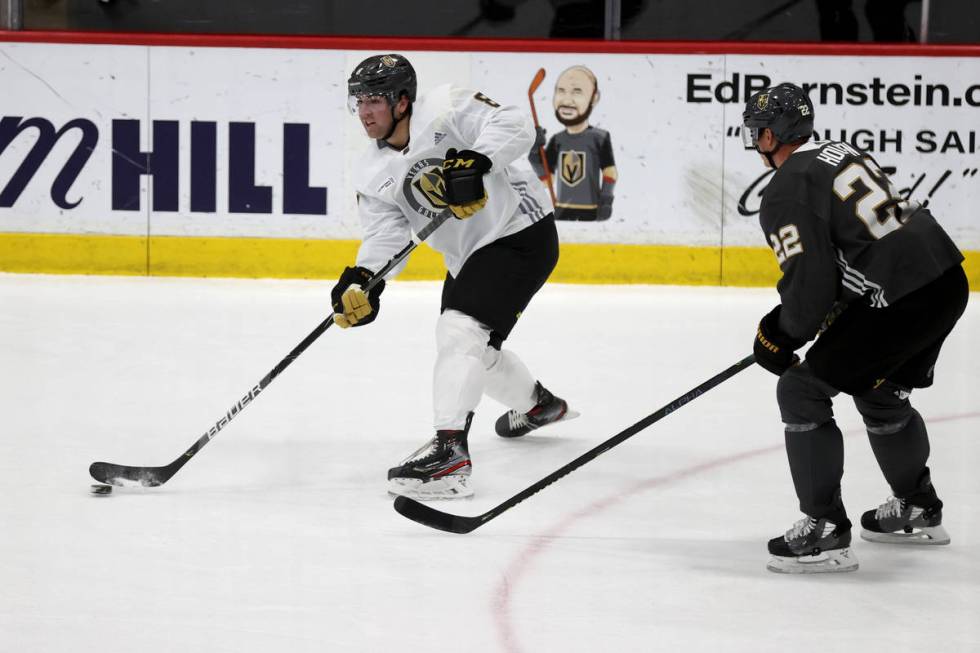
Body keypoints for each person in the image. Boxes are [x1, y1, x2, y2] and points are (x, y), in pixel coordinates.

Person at [742, 83, 969, 573]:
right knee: (880, 389)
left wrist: (781, 334)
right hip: (946, 278)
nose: (755, 141)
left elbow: (812, 280)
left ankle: (824, 530)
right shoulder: (840, 152)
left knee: (801, 391)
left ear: (774, 134)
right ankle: (917, 506)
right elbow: (857, 248)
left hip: (902, 297)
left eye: (758, 132)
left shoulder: (785, 187)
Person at [335, 54, 574, 500]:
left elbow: (516, 124)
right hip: (468, 256)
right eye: (358, 102)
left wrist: (476, 160)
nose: (364, 112)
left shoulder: (446, 107)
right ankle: (540, 406)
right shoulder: (370, 169)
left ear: (402, 101)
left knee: (459, 332)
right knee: (474, 351)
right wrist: (365, 278)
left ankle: (449, 453)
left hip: (519, 232)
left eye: (373, 101)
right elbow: (386, 231)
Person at [528, 65, 617, 221]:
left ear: (594, 98)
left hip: (591, 210)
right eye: (561, 91)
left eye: (577, 91)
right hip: (562, 210)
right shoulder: (557, 140)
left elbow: (610, 172)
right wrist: (535, 153)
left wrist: (606, 199)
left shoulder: (599, 137)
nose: (567, 99)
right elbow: (546, 179)